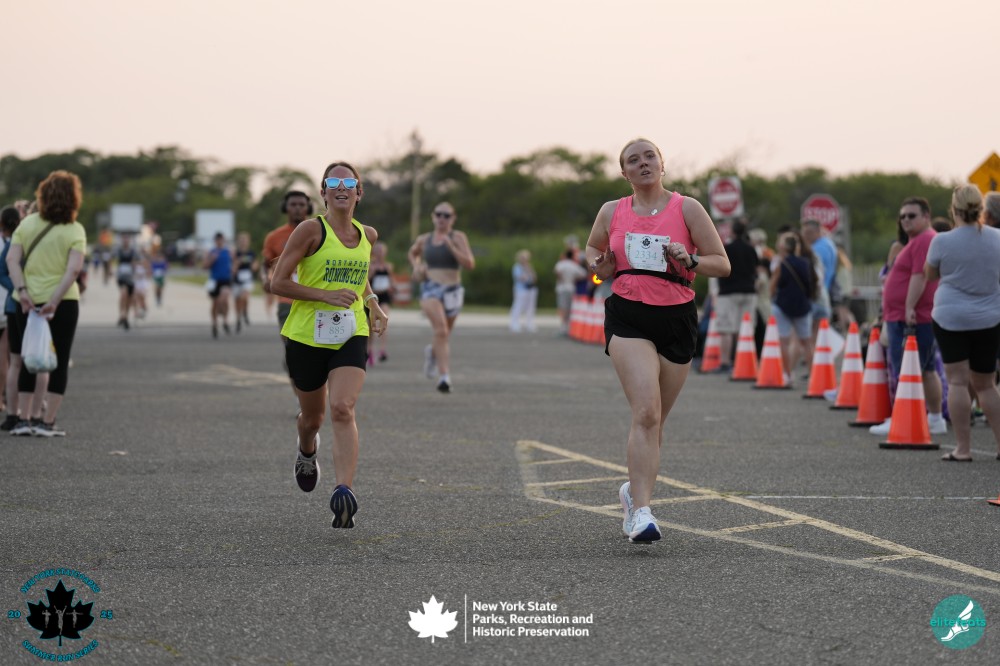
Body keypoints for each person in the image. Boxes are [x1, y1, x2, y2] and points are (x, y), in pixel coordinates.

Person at [586, 138, 729, 543]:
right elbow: (594, 253)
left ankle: (633, 492)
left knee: (656, 421)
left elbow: (722, 264)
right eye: (634, 160)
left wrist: (691, 259)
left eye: (650, 156)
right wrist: (600, 269)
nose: (643, 163)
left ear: (662, 165)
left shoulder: (688, 208)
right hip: (628, 315)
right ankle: (643, 514)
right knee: (646, 412)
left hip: (677, 317)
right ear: (624, 172)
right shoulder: (612, 211)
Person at [269, 161, 388, 530]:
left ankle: (343, 491)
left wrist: (372, 303)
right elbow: (278, 282)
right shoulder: (310, 230)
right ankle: (307, 451)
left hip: (350, 332)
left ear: (358, 193)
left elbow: (359, 276)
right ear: (322, 192)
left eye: (348, 183)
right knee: (312, 419)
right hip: (306, 336)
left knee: (342, 408)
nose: (340, 187)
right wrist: (325, 295)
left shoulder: (368, 235)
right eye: (332, 182)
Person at [4, 170, 88, 437]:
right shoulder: (75, 229)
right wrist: (54, 300)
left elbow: (11, 260)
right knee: (59, 361)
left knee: (27, 357)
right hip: (64, 301)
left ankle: (23, 418)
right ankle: (47, 421)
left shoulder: (26, 224)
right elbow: (74, 270)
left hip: (26, 301)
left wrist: (22, 291)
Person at [925, 185, 1000, 461]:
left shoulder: (942, 241)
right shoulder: (997, 238)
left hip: (951, 317)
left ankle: (963, 449)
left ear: (953, 209)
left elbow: (930, 275)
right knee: (986, 385)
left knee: (957, 382)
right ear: (981, 209)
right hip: (989, 317)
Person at [870, 197, 945, 436]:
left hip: (911, 317)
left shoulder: (924, 240)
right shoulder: (918, 241)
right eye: (902, 216)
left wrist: (909, 307)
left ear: (926, 216)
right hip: (907, 315)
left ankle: (907, 418)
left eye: (911, 215)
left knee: (909, 370)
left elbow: (919, 276)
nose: (905, 220)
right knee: (922, 369)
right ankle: (931, 418)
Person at [407, 201, 475, 393]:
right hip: (431, 288)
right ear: (433, 217)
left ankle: (432, 352)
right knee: (441, 330)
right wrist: (417, 266)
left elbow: (469, 264)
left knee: (444, 334)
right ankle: (444, 377)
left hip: (453, 290)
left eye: (446, 215)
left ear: (453, 219)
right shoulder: (424, 239)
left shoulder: (458, 237)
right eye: (438, 214)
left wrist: (452, 247)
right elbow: (413, 253)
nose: (442, 218)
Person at [769, 232, 816, 386]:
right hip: (802, 305)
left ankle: (788, 374)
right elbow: (812, 284)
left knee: (784, 341)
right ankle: (813, 376)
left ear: (783, 247)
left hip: (783, 305)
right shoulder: (806, 263)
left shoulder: (781, 264)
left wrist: (771, 297)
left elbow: (773, 286)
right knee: (807, 342)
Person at [714, 220, 759, 372]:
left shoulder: (727, 249)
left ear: (732, 232)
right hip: (749, 291)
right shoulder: (751, 249)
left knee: (726, 328)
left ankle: (725, 362)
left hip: (728, 291)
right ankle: (743, 362)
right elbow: (756, 269)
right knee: (744, 328)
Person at [367, 241, 394, 364]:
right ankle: (369, 350)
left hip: (384, 296)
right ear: (374, 253)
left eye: (382, 252)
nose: (380, 254)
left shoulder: (388, 266)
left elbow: (391, 280)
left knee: (384, 319)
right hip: (373, 296)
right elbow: (366, 281)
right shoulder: (370, 265)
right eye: (378, 251)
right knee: (371, 325)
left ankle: (382, 350)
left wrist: (393, 287)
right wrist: (372, 272)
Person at [204, 232, 233, 338]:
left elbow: (234, 263)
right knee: (215, 302)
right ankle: (214, 323)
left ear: (223, 240)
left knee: (224, 299)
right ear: (215, 241)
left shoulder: (228, 251)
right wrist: (212, 259)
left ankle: (225, 320)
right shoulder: (211, 252)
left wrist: (234, 270)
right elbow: (205, 266)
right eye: (217, 240)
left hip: (225, 280)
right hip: (214, 280)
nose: (219, 242)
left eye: (221, 240)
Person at [554, 248, 587, 335]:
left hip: (562, 288)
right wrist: (574, 278)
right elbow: (583, 274)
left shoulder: (561, 264)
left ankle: (563, 327)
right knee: (569, 308)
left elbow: (557, 272)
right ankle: (568, 327)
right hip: (571, 288)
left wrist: (562, 279)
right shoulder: (574, 265)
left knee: (562, 308)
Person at [232, 231, 257, 333]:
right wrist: (238, 262)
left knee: (244, 297)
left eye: (245, 240)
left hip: (247, 278)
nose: (243, 242)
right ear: (238, 241)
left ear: (248, 241)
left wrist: (254, 266)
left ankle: (245, 311)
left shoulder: (251, 253)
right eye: (241, 240)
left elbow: (255, 265)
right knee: (237, 300)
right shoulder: (235, 253)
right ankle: (238, 318)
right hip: (237, 279)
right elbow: (233, 268)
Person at [509, 249, 539, 333]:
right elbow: (520, 278)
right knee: (518, 306)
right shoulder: (517, 267)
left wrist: (529, 271)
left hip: (530, 289)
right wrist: (527, 276)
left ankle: (529, 323)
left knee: (530, 307)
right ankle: (514, 323)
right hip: (521, 289)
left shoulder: (529, 267)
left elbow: (534, 278)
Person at [115, 234, 139, 329]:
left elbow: (139, 261)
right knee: (123, 294)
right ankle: (122, 314)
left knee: (129, 298)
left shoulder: (133, 251)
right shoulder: (119, 250)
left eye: (127, 240)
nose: (125, 241)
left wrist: (135, 265)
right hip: (121, 276)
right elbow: (112, 259)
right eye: (124, 240)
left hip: (130, 277)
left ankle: (126, 316)